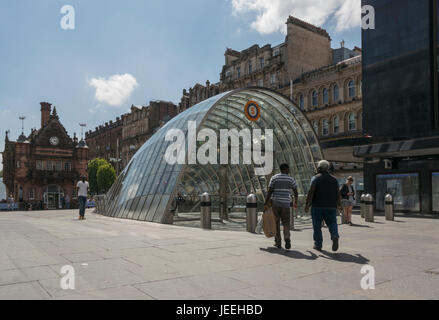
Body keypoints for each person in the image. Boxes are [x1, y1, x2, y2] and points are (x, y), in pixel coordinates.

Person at [305, 160, 342, 252]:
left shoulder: (315, 178)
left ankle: (318, 244)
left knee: (317, 226)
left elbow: (311, 191)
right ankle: (334, 235)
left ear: (319, 168)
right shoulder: (334, 179)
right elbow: (338, 193)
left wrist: (307, 204)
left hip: (317, 206)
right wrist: (339, 204)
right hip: (331, 206)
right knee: (332, 223)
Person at [264, 163, 298, 250]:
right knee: (286, 222)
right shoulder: (291, 179)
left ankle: (278, 242)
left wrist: (266, 202)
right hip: (286, 204)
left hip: (276, 204)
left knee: (276, 223)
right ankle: (287, 238)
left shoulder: (274, 178)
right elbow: (295, 191)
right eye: (288, 169)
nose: (289, 170)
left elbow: (270, 191)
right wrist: (295, 202)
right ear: (285, 169)